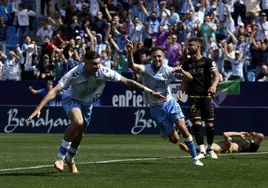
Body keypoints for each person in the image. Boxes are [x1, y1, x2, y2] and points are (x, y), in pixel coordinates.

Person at [27, 50, 165, 173]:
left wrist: (150, 91)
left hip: (88, 104)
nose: (97, 66)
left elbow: (127, 81)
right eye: (94, 64)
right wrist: (38, 108)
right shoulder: (75, 73)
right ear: (85, 62)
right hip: (71, 99)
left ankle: (70, 159)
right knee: (78, 122)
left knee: (80, 134)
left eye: (98, 63)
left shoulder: (103, 72)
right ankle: (60, 158)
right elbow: (55, 90)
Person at [126, 42, 204, 166]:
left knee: (182, 127)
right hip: (156, 109)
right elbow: (131, 65)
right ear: (151, 57)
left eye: (159, 56)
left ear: (163, 57)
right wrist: (130, 52)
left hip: (170, 103)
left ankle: (195, 158)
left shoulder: (168, 70)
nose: (157, 58)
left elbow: (189, 78)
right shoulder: (146, 69)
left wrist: (182, 71)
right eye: (155, 56)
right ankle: (166, 131)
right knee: (175, 140)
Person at [178, 37, 220, 159]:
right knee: (196, 123)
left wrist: (214, 85)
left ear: (197, 47)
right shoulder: (187, 64)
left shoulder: (207, 61)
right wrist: (181, 91)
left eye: (190, 45)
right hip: (193, 97)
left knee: (210, 124)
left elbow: (216, 75)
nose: (188, 47)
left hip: (206, 97)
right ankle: (201, 150)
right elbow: (185, 80)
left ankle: (210, 149)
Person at [178, 132, 264, 153]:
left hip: (236, 146)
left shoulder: (253, 145)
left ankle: (227, 149)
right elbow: (225, 133)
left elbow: (261, 136)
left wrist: (254, 134)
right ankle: (190, 150)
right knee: (210, 146)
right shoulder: (239, 138)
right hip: (224, 143)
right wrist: (239, 133)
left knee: (233, 145)